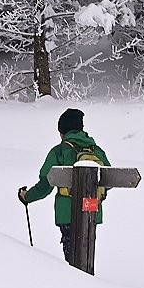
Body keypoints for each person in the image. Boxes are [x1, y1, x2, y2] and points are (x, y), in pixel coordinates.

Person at [19, 107, 109, 263]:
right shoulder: (96, 151)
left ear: (63, 131)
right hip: (92, 209)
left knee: (72, 258)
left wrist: (27, 197)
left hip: (68, 213)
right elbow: (108, 180)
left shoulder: (59, 151)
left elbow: (45, 185)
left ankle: (77, 284)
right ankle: (90, 283)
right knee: (87, 251)